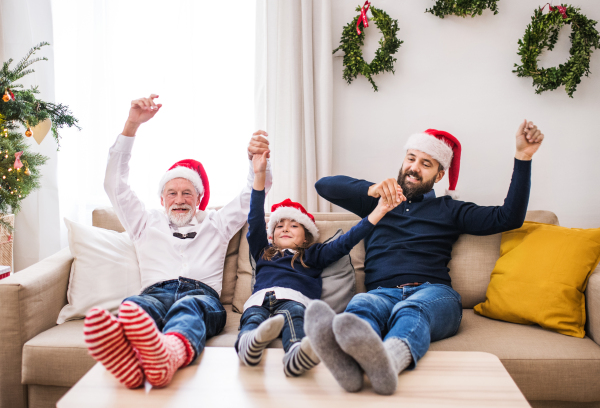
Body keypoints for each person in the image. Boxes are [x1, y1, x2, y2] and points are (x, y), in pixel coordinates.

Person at [305, 121, 544, 395]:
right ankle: (351, 365)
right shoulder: (376, 203)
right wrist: (371, 189)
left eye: (426, 163)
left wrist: (523, 158)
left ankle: (389, 361)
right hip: (382, 293)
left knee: (412, 309)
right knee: (361, 303)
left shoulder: (450, 208)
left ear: (439, 175)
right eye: (411, 158)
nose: (414, 168)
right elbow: (323, 185)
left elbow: (508, 218)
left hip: (434, 294)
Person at [83, 94, 273, 388]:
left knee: (190, 308)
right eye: (172, 192)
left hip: (202, 297)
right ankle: (131, 362)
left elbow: (253, 196)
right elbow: (114, 184)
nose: (180, 199)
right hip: (154, 294)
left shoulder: (217, 223)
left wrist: (256, 163)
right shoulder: (144, 222)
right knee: (135, 307)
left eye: (187, 193)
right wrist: (132, 124)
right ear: (161, 199)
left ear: (199, 199)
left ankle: (168, 355)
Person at [235, 147, 401, 377]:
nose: (285, 228)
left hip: (294, 301)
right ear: (271, 234)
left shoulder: (312, 254)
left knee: (295, 319)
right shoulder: (263, 251)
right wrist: (259, 176)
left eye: (294, 225)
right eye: (279, 225)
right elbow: (254, 218)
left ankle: (294, 354)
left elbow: (346, 241)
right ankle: (248, 344)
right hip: (259, 300)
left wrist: (377, 212)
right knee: (252, 318)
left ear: (307, 236)